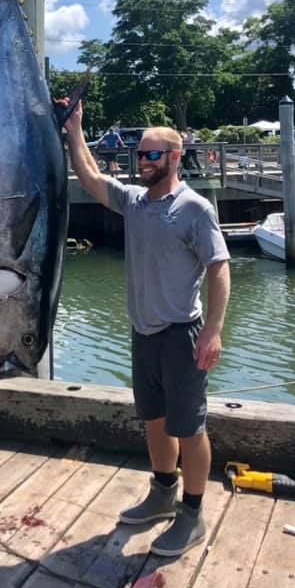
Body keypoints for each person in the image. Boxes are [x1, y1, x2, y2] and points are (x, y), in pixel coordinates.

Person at [65, 103, 230, 557]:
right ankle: (162, 493)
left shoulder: (194, 209)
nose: (143, 163)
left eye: (152, 156)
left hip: (183, 334)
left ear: (175, 158)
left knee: (190, 427)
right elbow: (93, 180)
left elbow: (219, 269)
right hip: (143, 333)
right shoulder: (135, 202)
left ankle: (193, 514)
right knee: (155, 421)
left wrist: (213, 331)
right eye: (140, 155)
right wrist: (76, 130)